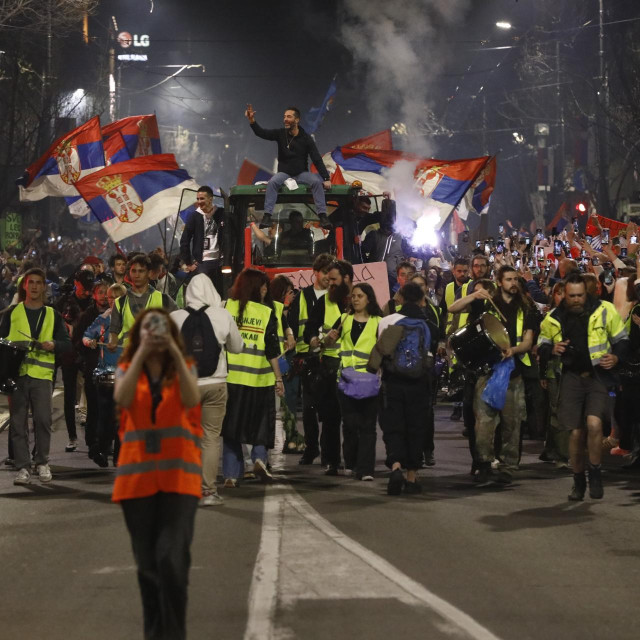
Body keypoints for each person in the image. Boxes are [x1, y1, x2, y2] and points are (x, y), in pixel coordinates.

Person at [112, 308, 201, 640]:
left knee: (172, 560)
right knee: (148, 568)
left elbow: (192, 399)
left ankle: (175, 634)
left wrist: (175, 353)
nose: (156, 333)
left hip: (180, 481)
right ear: (139, 334)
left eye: (161, 328)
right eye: (149, 329)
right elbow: (121, 398)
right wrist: (140, 356)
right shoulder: (126, 368)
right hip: (137, 484)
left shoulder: (184, 368)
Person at [538, 273, 629, 500]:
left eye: (580, 295)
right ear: (564, 295)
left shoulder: (604, 310)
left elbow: (622, 341)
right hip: (571, 377)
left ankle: (595, 473)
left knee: (595, 424)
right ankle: (578, 481)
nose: (576, 300)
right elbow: (541, 346)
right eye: (572, 296)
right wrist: (552, 350)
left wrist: (616, 358)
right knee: (576, 433)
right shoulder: (553, 318)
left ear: (585, 293)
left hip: (598, 376)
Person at [171, 274, 244, 506]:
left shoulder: (175, 317)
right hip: (215, 383)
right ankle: (208, 491)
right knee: (210, 438)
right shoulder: (222, 315)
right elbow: (237, 347)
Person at [0, 268, 71, 485]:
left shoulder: (52, 314)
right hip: (18, 375)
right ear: (24, 285)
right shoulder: (12, 313)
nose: (34, 286)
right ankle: (23, 467)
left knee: (43, 420)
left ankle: (42, 462)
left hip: (42, 374)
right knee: (18, 423)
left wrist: (54, 345)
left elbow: (66, 344)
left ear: (43, 287)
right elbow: (2, 343)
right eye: (31, 282)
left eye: (39, 283)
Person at [473, 265, 536, 487]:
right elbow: (453, 309)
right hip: (488, 373)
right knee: (484, 425)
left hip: (514, 374)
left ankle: (508, 466)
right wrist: (474, 294)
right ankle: (484, 463)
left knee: (512, 425)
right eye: (509, 279)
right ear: (499, 282)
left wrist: (513, 350)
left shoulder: (526, 308)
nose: (513, 283)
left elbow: (528, 342)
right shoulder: (487, 304)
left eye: (516, 279)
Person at [222, 269, 284, 487]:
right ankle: (259, 459)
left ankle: (231, 474)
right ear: (254, 287)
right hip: (259, 379)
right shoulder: (267, 312)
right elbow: (272, 350)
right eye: (263, 285)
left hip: (230, 380)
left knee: (231, 429)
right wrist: (279, 379)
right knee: (259, 425)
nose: (266, 289)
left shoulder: (226, 307)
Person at [369, 282, 433, 495]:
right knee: (415, 427)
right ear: (421, 300)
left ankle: (395, 465)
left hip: (392, 382)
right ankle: (412, 477)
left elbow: (381, 350)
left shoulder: (387, 321)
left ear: (401, 298)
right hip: (418, 383)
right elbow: (427, 353)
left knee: (393, 426)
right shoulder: (426, 324)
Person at [325, 283, 382, 480]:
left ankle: (366, 469)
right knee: (350, 424)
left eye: (360, 296)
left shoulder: (378, 322)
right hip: (347, 380)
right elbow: (328, 342)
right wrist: (328, 338)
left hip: (369, 380)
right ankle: (351, 462)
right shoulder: (344, 319)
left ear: (369, 299)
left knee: (368, 426)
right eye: (353, 296)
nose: (355, 299)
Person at [304, 259, 354, 474]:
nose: (329, 284)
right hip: (329, 368)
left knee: (353, 420)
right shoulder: (324, 302)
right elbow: (309, 330)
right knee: (331, 418)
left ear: (347, 279)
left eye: (334, 280)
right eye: (328, 280)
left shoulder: (361, 301)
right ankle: (331, 460)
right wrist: (315, 340)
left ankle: (353, 461)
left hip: (354, 369)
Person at [245, 104, 331, 227]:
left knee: (317, 182)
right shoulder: (280, 134)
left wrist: (326, 178)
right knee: (273, 182)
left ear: (297, 120)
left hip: (301, 174)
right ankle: (267, 217)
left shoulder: (306, 138)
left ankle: (323, 217)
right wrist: (252, 120)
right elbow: (261, 133)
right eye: (284, 116)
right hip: (283, 174)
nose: (285, 119)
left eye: (289, 117)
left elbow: (316, 159)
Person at [286, 253, 334, 464]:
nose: (327, 277)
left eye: (330, 274)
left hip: (330, 358)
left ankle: (327, 451)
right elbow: (293, 325)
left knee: (330, 409)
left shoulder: (337, 297)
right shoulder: (304, 297)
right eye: (325, 273)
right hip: (307, 358)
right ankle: (312, 448)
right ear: (316, 272)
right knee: (308, 408)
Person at [83, 282, 126, 467]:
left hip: (126, 375)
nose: (113, 301)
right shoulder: (102, 320)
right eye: (110, 298)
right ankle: (101, 449)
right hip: (105, 376)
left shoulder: (131, 320)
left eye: (117, 298)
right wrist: (90, 342)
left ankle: (119, 456)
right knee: (106, 416)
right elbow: (86, 336)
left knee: (122, 418)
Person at [56, 268, 94, 452]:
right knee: (69, 396)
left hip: (88, 353)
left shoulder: (94, 302)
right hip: (69, 353)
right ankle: (72, 436)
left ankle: (91, 436)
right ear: (76, 283)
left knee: (92, 393)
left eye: (90, 286)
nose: (87, 290)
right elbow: (54, 321)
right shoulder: (64, 302)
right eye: (84, 286)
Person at [108, 254, 178, 351]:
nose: (137, 275)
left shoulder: (164, 299)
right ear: (129, 273)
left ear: (149, 273)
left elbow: (178, 324)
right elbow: (113, 330)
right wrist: (112, 341)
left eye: (141, 271)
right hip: (128, 357)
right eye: (133, 271)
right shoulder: (119, 302)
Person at [269, 274, 305, 453]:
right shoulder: (272, 309)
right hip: (275, 359)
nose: (292, 296)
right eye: (289, 292)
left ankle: (291, 438)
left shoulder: (290, 310)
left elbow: (290, 328)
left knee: (289, 400)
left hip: (287, 359)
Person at [537, 282, 570, 469]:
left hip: (572, 370)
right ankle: (561, 455)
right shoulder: (549, 319)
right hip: (554, 370)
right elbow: (542, 347)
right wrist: (543, 373)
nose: (563, 297)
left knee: (559, 412)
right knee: (558, 412)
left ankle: (551, 449)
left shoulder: (579, 316)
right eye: (559, 293)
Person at [440, 257, 471, 421]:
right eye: (459, 271)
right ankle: (457, 406)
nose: (462, 274)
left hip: (467, 333)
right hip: (452, 334)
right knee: (454, 371)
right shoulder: (449, 288)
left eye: (465, 271)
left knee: (467, 371)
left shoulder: (472, 287)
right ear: (453, 271)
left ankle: (466, 408)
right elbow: (444, 312)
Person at [179, 185, 226, 295]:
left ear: (210, 199)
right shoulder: (194, 216)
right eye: (198, 199)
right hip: (203, 262)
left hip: (221, 260)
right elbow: (184, 240)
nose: (199, 201)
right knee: (204, 294)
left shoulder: (221, 213)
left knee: (221, 294)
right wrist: (188, 263)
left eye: (202, 198)